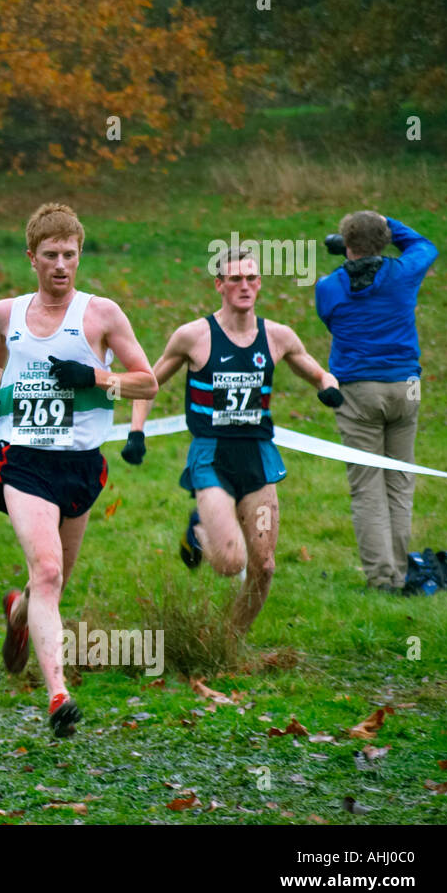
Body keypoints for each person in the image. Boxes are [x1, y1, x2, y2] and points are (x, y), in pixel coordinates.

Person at [0, 203, 157, 738]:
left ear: (79, 256)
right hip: (22, 460)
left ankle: (17, 614)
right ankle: (58, 696)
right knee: (47, 572)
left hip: (80, 465)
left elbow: (146, 382)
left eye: (69, 255)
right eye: (49, 255)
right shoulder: (7, 313)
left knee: (49, 583)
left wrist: (96, 377)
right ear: (31, 258)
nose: (60, 265)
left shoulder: (102, 315)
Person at [126, 247, 343, 634]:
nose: (245, 285)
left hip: (258, 458)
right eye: (235, 279)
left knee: (263, 566)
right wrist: (137, 433)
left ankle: (229, 639)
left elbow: (319, 373)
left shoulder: (278, 337)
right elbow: (148, 384)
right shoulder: (193, 336)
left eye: (252, 278)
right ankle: (200, 530)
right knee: (229, 563)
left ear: (259, 284)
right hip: (211, 457)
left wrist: (328, 387)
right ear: (220, 285)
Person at [315, 213, 438, 592]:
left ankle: (382, 577)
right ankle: (401, 571)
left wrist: (355, 248)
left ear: (345, 243)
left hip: (359, 390)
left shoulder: (328, 286)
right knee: (400, 481)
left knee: (367, 485)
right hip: (407, 386)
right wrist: (387, 222)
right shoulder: (403, 273)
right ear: (385, 241)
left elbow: (331, 320)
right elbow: (425, 246)